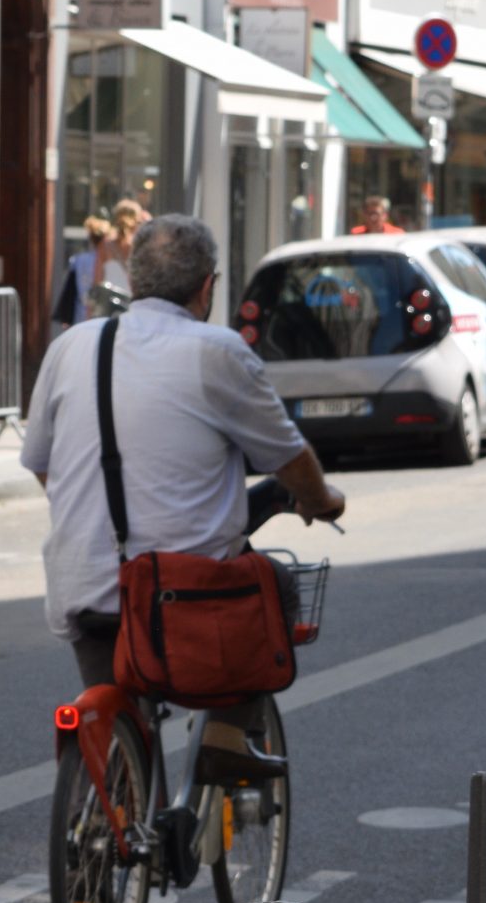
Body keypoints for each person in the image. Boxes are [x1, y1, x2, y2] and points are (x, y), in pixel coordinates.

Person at [21, 214, 345, 781]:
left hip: (85, 586)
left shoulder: (71, 346)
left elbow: (43, 465)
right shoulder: (218, 352)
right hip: (186, 598)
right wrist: (322, 500)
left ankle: (108, 812)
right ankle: (226, 735)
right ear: (207, 288)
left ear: (136, 281)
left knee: (110, 696)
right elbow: (288, 456)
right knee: (278, 586)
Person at [52, 215, 114, 330]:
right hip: (100, 314)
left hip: (81, 314)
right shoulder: (108, 261)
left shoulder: (79, 260)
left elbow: (70, 291)